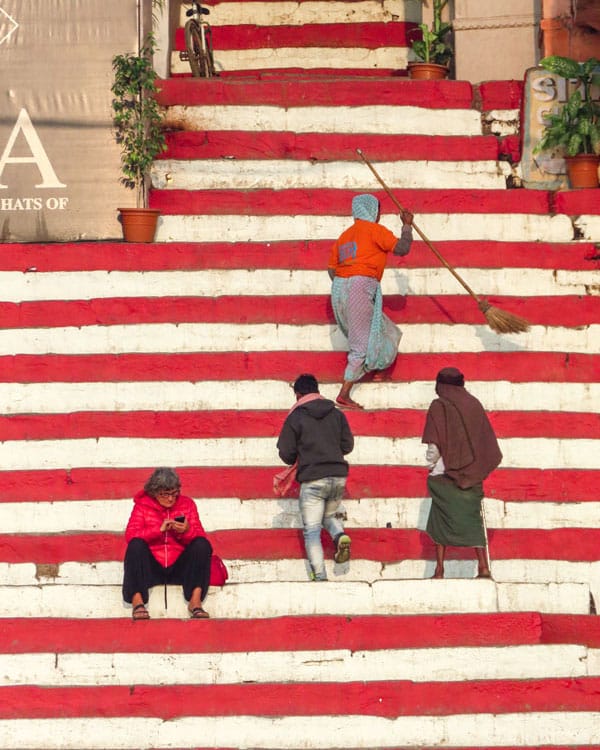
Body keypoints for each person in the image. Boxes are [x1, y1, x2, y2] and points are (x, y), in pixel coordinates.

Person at [328, 193, 414, 410]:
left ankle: (377, 369)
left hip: (339, 286)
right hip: (360, 285)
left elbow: (331, 268)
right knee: (360, 345)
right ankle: (344, 393)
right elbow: (402, 248)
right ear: (371, 211)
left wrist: (347, 280)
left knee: (384, 329)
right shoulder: (375, 230)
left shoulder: (344, 236)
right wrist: (407, 226)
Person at [422, 367, 503, 579]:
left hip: (444, 474)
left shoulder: (439, 405)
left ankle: (439, 569)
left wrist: (431, 463)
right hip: (473, 474)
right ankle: (483, 567)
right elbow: (485, 441)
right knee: (473, 521)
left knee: (439, 520)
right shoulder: (474, 404)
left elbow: (434, 447)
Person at [277, 374, 354, 581]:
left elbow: (286, 452)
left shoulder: (296, 417)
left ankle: (320, 577)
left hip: (312, 479)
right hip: (338, 476)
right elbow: (348, 445)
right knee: (328, 516)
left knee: (312, 531)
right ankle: (339, 535)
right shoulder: (336, 414)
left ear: (298, 394)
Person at [122, 467, 213, 619]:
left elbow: (200, 535)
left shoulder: (187, 504)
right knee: (136, 545)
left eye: (173, 494)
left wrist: (186, 531)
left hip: (179, 564)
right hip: (152, 566)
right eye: (165, 494)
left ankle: (195, 601)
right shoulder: (142, 505)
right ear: (154, 492)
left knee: (202, 545)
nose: (170, 499)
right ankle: (137, 602)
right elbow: (131, 535)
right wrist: (158, 530)